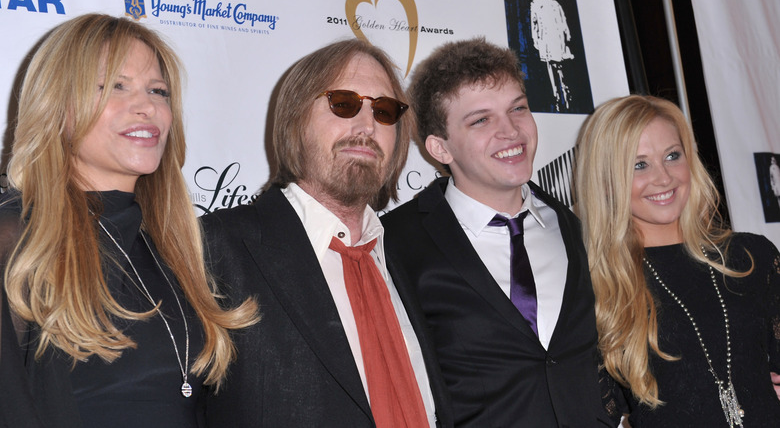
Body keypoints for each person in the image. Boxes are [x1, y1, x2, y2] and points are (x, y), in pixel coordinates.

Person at [0, 14, 258, 428]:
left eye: (158, 91)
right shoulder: (16, 241)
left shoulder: (177, 250)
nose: (147, 106)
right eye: (115, 86)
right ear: (57, 105)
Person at [201, 38, 453, 428]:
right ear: (295, 117)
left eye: (384, 111)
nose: (367, 125)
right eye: (344, 104)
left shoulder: (409, 256)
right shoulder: (216, 249)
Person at [381, 37, 610, 427]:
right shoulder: (394, 243)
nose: (511, 131)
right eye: (481, 119)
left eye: (517, 108)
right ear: (440, 148)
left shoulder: (581, 229)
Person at [575, 94, 780, 427]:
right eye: (639, 164)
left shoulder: (752, 257)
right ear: (607, 181)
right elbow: (595, 412)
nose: (664, 177)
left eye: (672, 156)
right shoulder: (599, 286)